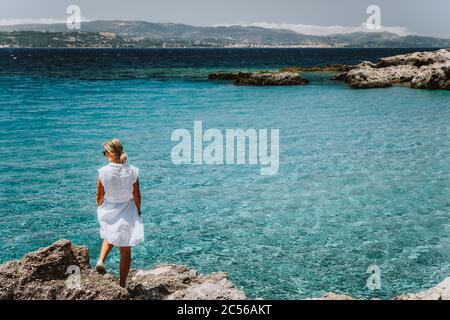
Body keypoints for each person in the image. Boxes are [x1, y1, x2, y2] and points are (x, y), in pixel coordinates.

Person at [95, 138, 144, 288]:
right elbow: (137, 195)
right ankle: (122, 284)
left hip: (109, 208)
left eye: (105, 152)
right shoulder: (132, 170)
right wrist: (138, 209)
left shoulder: (103, 172)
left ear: (109, 153)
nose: (104, 155)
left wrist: (100, 206)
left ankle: (101, 261)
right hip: (128, 209)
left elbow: (99, 195)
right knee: (125, 249)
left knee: (109, 235)